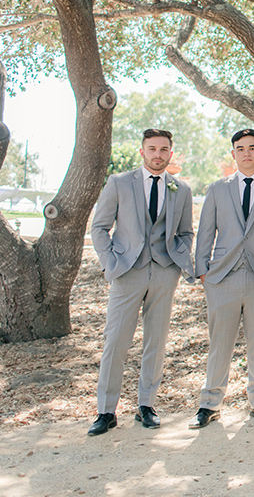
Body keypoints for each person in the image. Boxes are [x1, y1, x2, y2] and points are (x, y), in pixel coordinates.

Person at [88, 129, 194, 435]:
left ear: (170, 153)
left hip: (164, 272)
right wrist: (111, 263)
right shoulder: (120, 183)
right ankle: (106, 411)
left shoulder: (181, 189)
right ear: (142, 151)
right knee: (116, 341)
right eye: (152, 149)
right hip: (127, 271)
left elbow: (186, 233)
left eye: (163, 149)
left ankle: (146, 405)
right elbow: (99, 227)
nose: (158, 154)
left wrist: (177, 260)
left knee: (156, 341)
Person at [189, 129, 254, 429]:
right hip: (222, 277)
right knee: (219, 342)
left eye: (252, 147)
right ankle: (209, 403)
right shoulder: (217, 189)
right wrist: (203, 270)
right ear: (233, 153)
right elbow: (206, 231)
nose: (246, 153)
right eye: (240, 148)